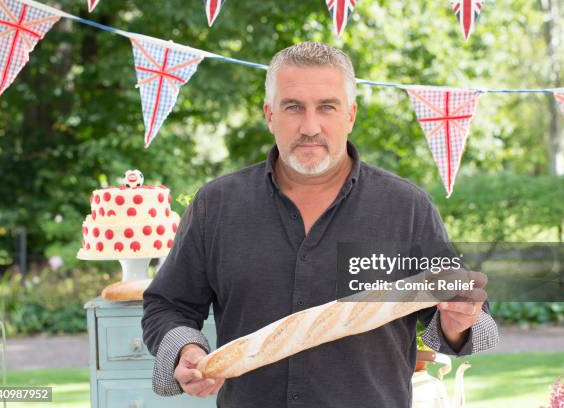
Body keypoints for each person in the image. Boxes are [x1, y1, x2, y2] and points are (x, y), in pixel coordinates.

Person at [142, 41, 498, 407]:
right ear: (269, 115)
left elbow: (464, 317)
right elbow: (167, 305)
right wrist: (184, 347)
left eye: (326, 107)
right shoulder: (217, 204)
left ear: (350, 115)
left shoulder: (406, 207)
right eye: (293, 107)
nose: (309, 127)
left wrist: (460, 323)